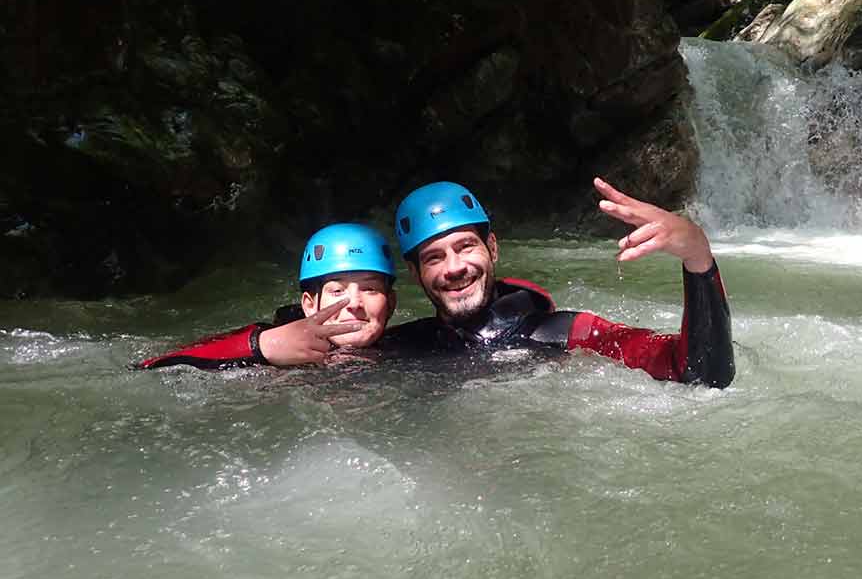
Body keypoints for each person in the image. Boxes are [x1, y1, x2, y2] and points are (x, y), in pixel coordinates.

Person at [382, 178, 734, 388]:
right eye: (434, 257)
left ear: (492, 249)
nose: (454, 268)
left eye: (466, 246)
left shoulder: (566, 332)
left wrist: (698, 258)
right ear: (415, 275)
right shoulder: (402, 345)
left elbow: (701, 375)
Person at [139, 223, 397, 370]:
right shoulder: (272, 338)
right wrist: (263, 346)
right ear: (309, 305)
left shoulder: (407, 346)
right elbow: (154, 365)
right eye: (337, 290)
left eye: (370, 289)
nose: (354, 303)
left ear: (391, 303)